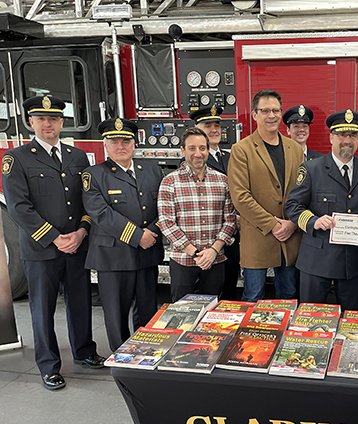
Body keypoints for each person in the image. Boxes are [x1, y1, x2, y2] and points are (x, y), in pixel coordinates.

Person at [2, 95, 104, 390]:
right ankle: (48, 365)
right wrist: (54, 237)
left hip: (76, 245)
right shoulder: (17, 158)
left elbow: (87, 201)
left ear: (62, 122)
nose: (48, 124)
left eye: (54, 118)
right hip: (42, 250)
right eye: (42, 119)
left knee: (80, 302)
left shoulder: (77, 157)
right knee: (43, 309)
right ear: (31, 122)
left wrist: (81, 233)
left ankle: (84, 351)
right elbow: (19, 207)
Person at [82, 118, 164, 350]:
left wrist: (153, 231)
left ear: (134, 143)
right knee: (117, 315)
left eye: (126, 141)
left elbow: (165, 207)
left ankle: (146, 352)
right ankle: (121, 357)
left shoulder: (152, 170)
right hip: (114, 257)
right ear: (105, 144)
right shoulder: (94, 175)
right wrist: (139, 236)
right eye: (114, 141)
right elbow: (101, 213)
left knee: (148, 311)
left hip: (147, 253)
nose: (121, 146)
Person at [286, 109, 358, 311]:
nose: (348, 140)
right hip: (317, 260)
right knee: (312, 319)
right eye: (342, 134)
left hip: (353, 263)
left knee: (352, 320)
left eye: (353, 135)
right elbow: (292, 206)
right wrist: (313, 221)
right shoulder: (311, 169)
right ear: (331, 138)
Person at [227, 89, 303, 301]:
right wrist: (274, 224)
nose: (272, 115)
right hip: (258, 238)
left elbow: (302, 191)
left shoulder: (295, 149)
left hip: (290, 238)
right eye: (265, 110)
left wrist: (292, 224)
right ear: (254, 114)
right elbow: (240, 196)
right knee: (253, 296)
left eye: (276, 110)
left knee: (288, 296)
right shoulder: (241, 149)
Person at [158, 127, 237, 302]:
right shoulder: (169, 181)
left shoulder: (222, 181)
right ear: (183, 150)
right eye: (192, 148)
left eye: (202, 148)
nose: (198, 153)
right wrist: (195, 253)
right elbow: (166, 223)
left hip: (215, 261)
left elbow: (230, 220)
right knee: (181, 314)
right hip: (182, 262)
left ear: (208, 150)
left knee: (212, 315)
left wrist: (213, 250)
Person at [190, 103, 240, 300]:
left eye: (217, 126)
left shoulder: (231, 157)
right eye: (208, 126)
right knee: (206, 297)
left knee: (230, 290)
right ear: (196, 130)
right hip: (207, 241)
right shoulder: (192, 161)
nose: (214, 130)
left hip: (231, 236)